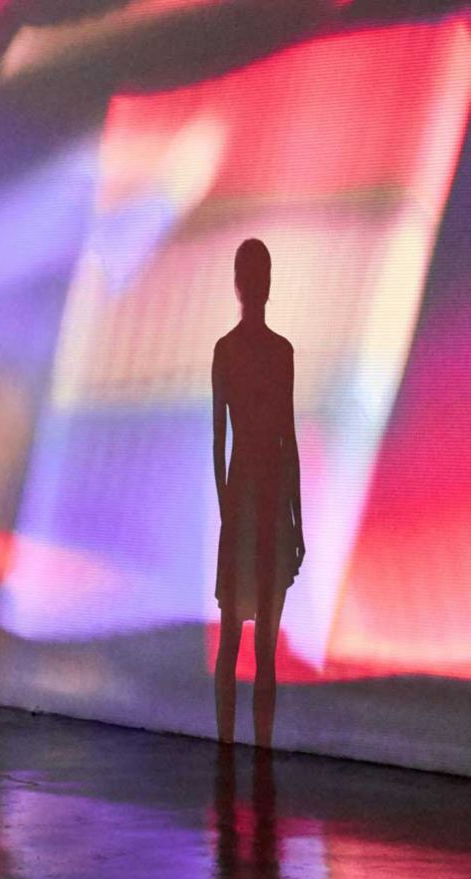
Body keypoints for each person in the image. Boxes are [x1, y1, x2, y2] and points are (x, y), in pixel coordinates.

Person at [212, 239, 304, 748]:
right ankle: (251, 751)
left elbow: (221, 441)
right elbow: (284, 441)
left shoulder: (234, 351)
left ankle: (234, 748)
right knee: (253, 641)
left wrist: (230, 508)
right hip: (260, 498)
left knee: (239, 639)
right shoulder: (273, 352)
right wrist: (296, 522)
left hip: (251, 496)